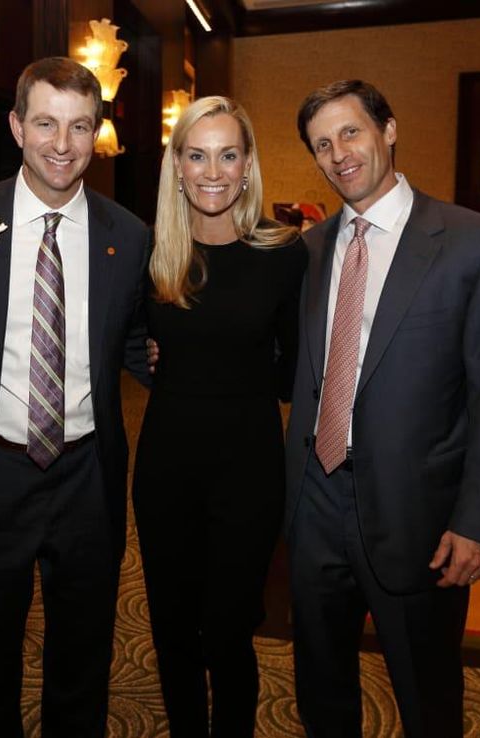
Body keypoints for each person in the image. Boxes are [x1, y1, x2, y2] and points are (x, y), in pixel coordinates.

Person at [285, 80, 480, 738]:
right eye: (321, 144)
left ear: (388, 130)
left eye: (351, 132)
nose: (338, 153)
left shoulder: (477, 246)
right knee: (320, 685)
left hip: (419, 515)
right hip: (314, 502)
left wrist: (479, 522)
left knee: (427, 695)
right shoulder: (307, 253)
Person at [0, 57, 151, 738]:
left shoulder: (130, 236)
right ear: (16, 127)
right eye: (47, 123)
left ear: (97, 133)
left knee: (83, 652)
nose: (63, 144)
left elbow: (140, 339)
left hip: (88, 473)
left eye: (80, 126)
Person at [132, 96, 306, 737]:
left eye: (228, 155)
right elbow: (119, 339)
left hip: (250, 469)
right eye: (197, 155)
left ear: (248, 164)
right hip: (166, 466)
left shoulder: (285, 255)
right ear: (176, 166)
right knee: (172, 629)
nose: (213, 171)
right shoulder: (151, 255)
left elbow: (297, 369)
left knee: (231, 630)